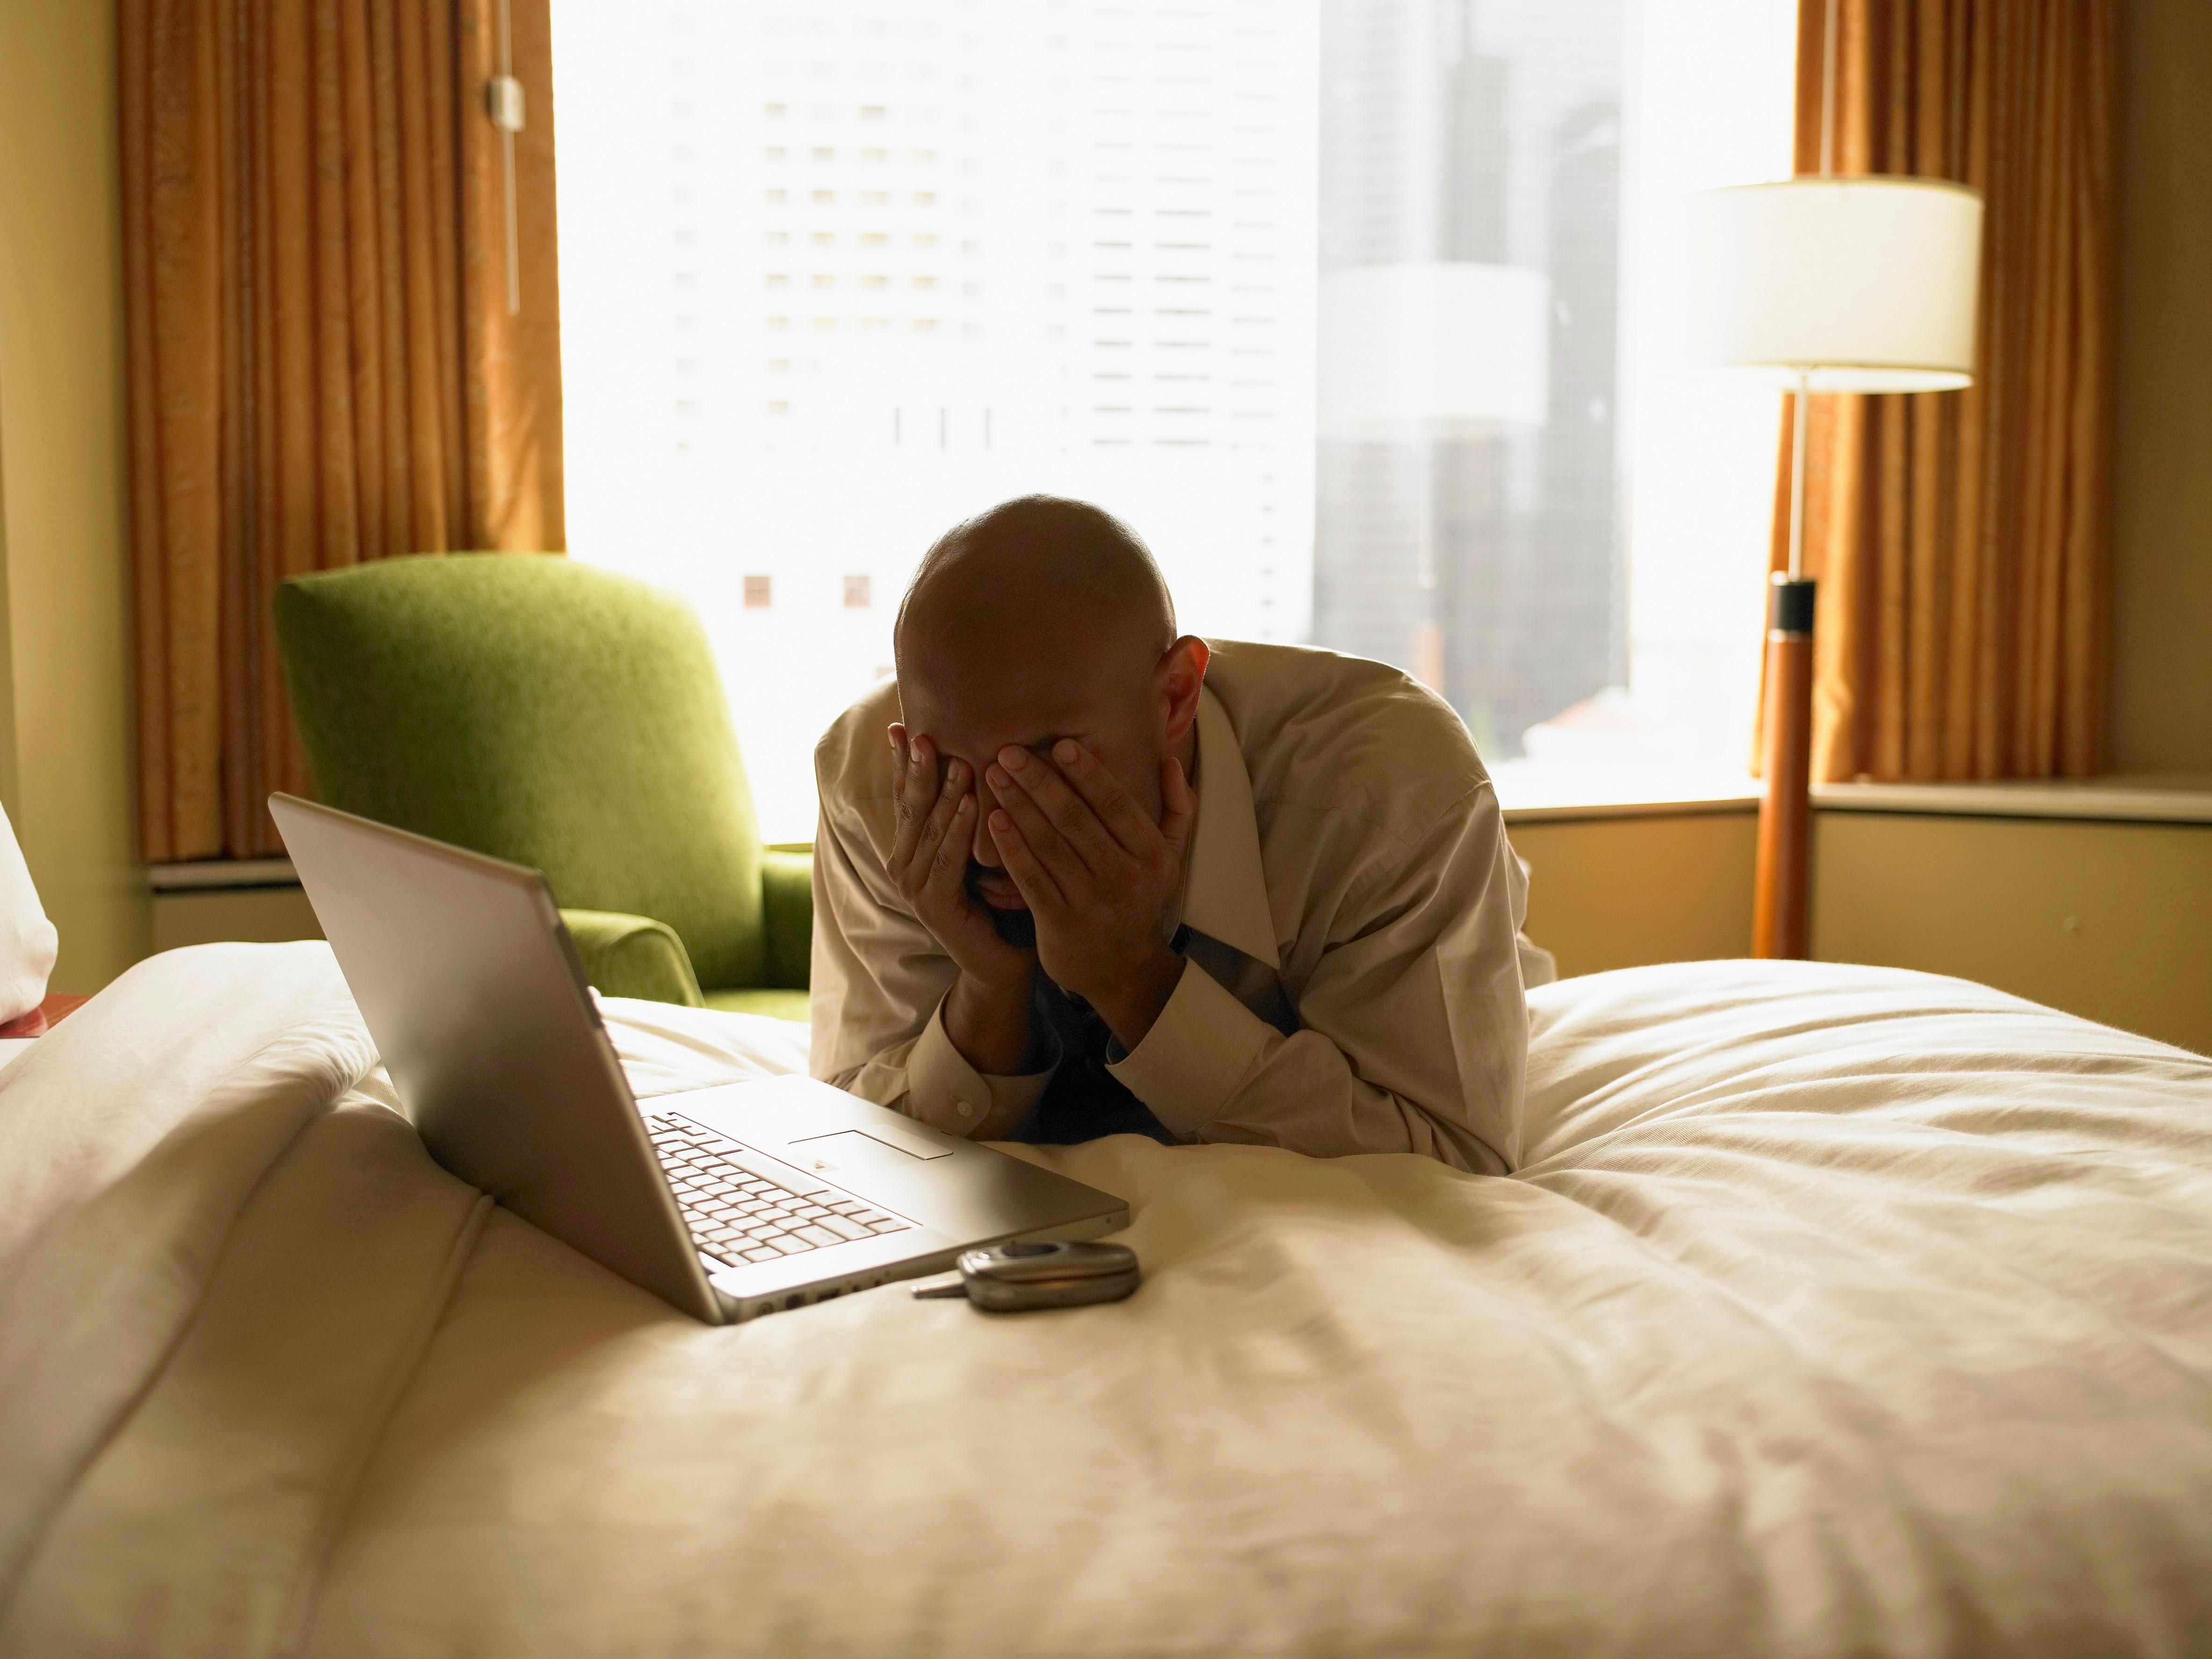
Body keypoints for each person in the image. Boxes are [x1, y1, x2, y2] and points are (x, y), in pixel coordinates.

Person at [808, 496, 1554, 1174]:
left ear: (1174, 697)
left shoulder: (1389, 794)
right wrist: (987, 993)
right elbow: (839, 1146)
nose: (985, 846)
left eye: (1041, 766)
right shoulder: (877, 784)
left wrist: (1132, 979)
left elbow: (1455, 1161)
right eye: (951, 771)